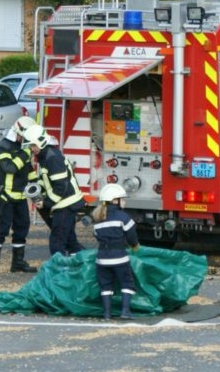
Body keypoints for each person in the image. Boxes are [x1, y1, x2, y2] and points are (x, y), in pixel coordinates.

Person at [0, 116, 39, 277]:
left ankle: (17, 263)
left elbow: (27, 169)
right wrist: (25, 154)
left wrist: (36, 185)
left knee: (22, 227)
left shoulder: (22, 147)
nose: (27, 141)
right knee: (2, 230)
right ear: (18, 132)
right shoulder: (3, 146)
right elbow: (9, 168)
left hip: (20, 196)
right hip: (5, 196)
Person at [22, 124, 85, 257]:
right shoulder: (46, 155)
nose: (32, 149)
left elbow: (61, 187)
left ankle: (57, 271)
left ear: (41, 141)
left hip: (65, 204)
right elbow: (46, 178)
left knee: (57, 241)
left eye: (33, 145)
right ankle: (81, 264)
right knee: (70, 240)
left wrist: (46, 203)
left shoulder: (52, 158)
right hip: (65, 203)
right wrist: (38, 189)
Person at [91, 183, 139, 320]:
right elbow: (131, 235)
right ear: (114, 201)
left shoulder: (98, 219)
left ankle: (107, 314)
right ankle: (125, 311)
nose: (124, 202)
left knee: (105, 286)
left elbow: (97, 235)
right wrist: (134, 245)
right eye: (122, 199)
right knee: (127, 283)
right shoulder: (123, 217)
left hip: (101, 259)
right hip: (119, 258)